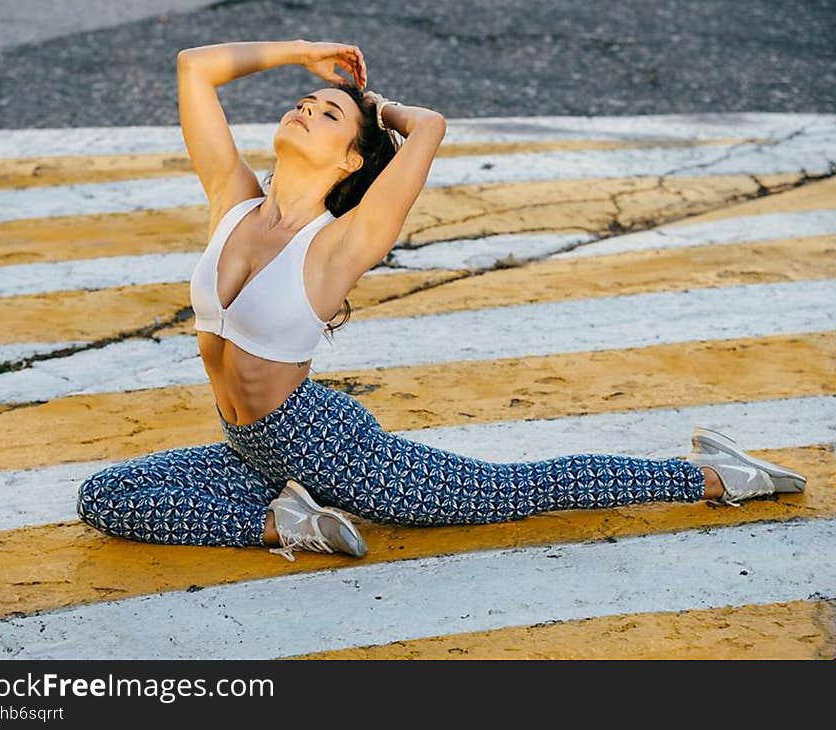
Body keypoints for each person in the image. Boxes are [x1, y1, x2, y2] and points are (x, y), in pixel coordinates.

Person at [76, 39, 807, 562]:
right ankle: (284, 523)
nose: (305, 108)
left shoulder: (340, 242)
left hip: (329, 447)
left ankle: (720, 476)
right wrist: (302, 51)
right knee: (105, 496)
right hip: (250, 444)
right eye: (304, 103)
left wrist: (375, 103)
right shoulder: (233, 203)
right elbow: (194, 68)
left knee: (512, 491)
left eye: (328, 115)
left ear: (351, 160)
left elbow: (429, 128)